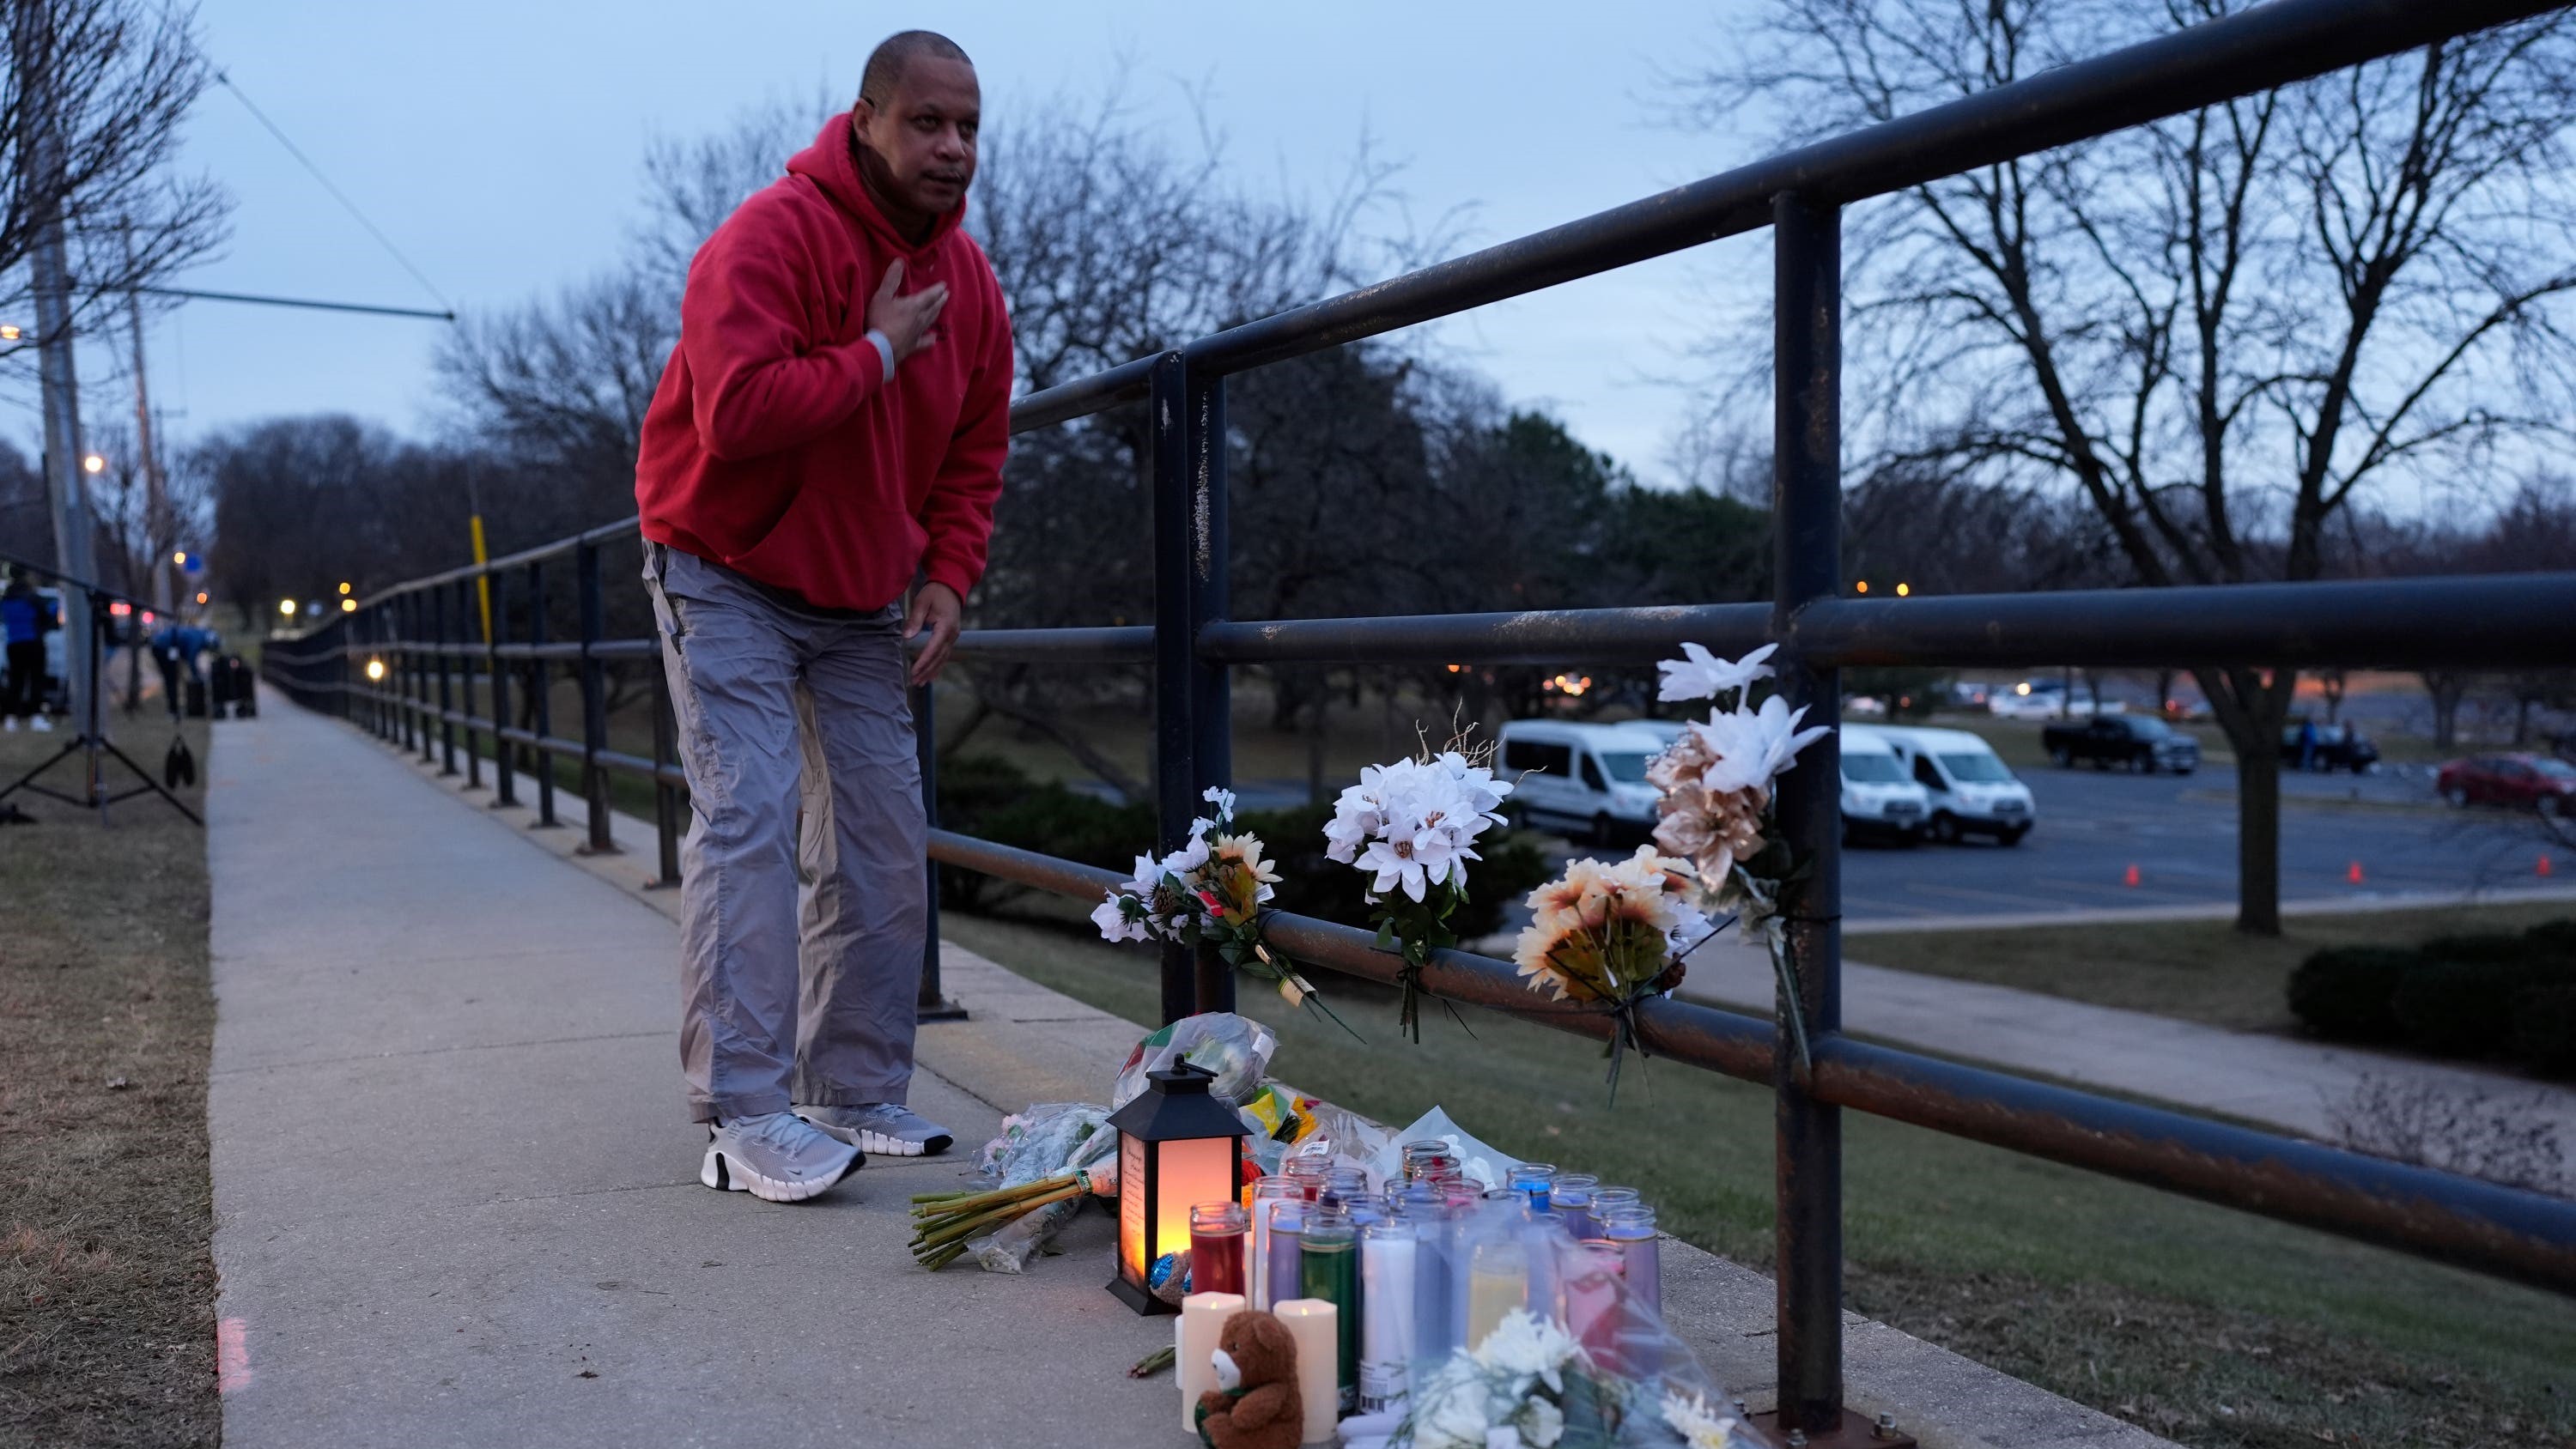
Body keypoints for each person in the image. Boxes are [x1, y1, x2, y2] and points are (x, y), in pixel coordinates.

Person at [632, 30, 1011, 1203]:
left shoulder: (975, 287)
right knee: (750, 815)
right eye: (926, 123)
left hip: (856, 600)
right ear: (865, 121)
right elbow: (737, 413)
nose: (950, 147)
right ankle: (742, 1113)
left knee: (884, 839)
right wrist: (878, 351)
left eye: (968, 128)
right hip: (723, 565)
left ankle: (851, 1087)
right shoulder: (769, 238)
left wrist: (948, 573)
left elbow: (974, 451)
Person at [2, 567, 55, 733]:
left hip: (13, 644)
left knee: (15, 681)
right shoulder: (31, 597)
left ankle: (11, 718)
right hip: (32, 642)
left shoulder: (6, 597)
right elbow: (48, 613)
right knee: (36, 680)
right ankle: (36, 717)